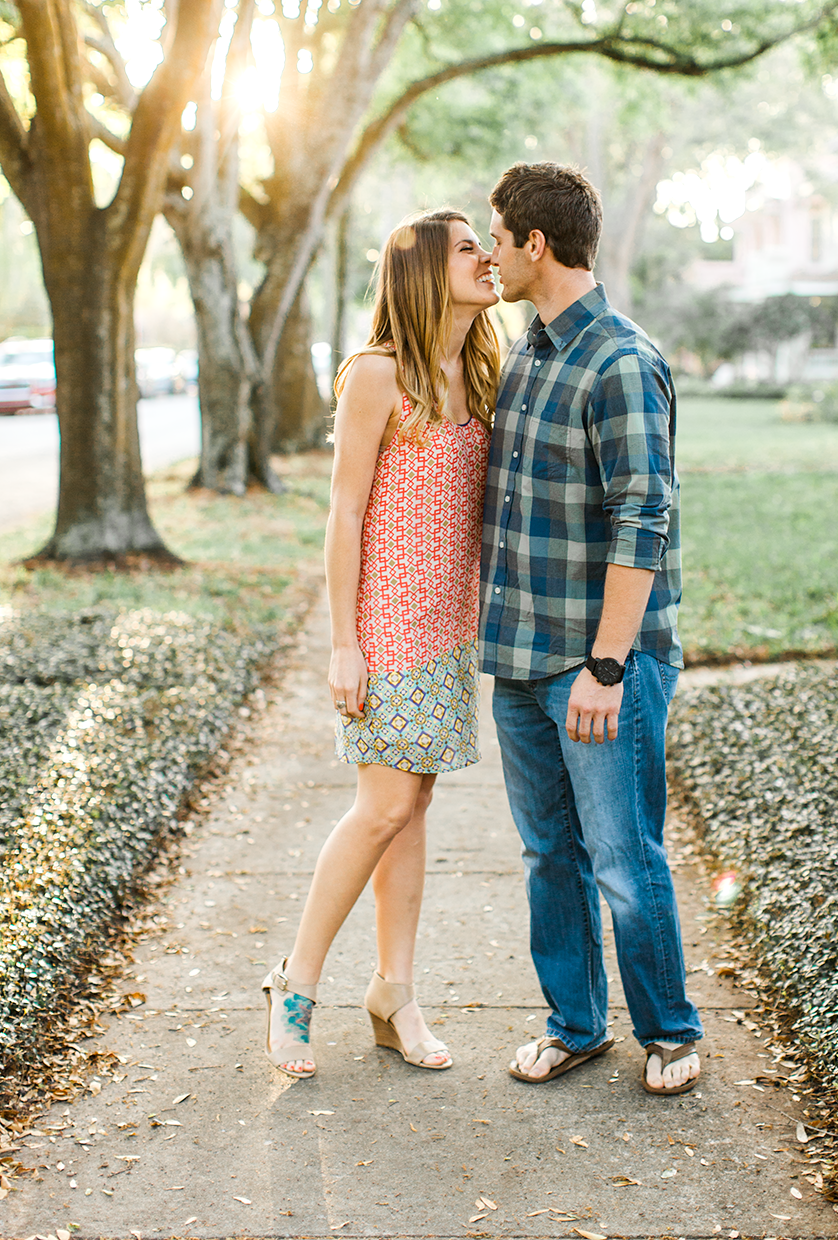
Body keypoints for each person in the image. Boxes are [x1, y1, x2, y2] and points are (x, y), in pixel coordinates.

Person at [479, 162, 703, 1096]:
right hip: (523, 661)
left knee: (622, 853)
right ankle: (576, 1025)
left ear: (537, 244)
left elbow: (641, 520)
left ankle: (672, 1032)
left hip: (601, 662)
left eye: (496, 238)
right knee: (549, 855)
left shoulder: (618, 359)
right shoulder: (528, 350)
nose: (489, 256)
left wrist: (606, 667)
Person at [262, 209, 500, 1078]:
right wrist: (343, 643)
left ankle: (394, 993)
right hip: (388, 629)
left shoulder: (480, 370)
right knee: (381, 809)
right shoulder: (377, 372)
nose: (488, 257)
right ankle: (295, 985)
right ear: (423, 271)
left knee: (414, 807)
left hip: (450, 628)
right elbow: (345, 510)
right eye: (468, 247)